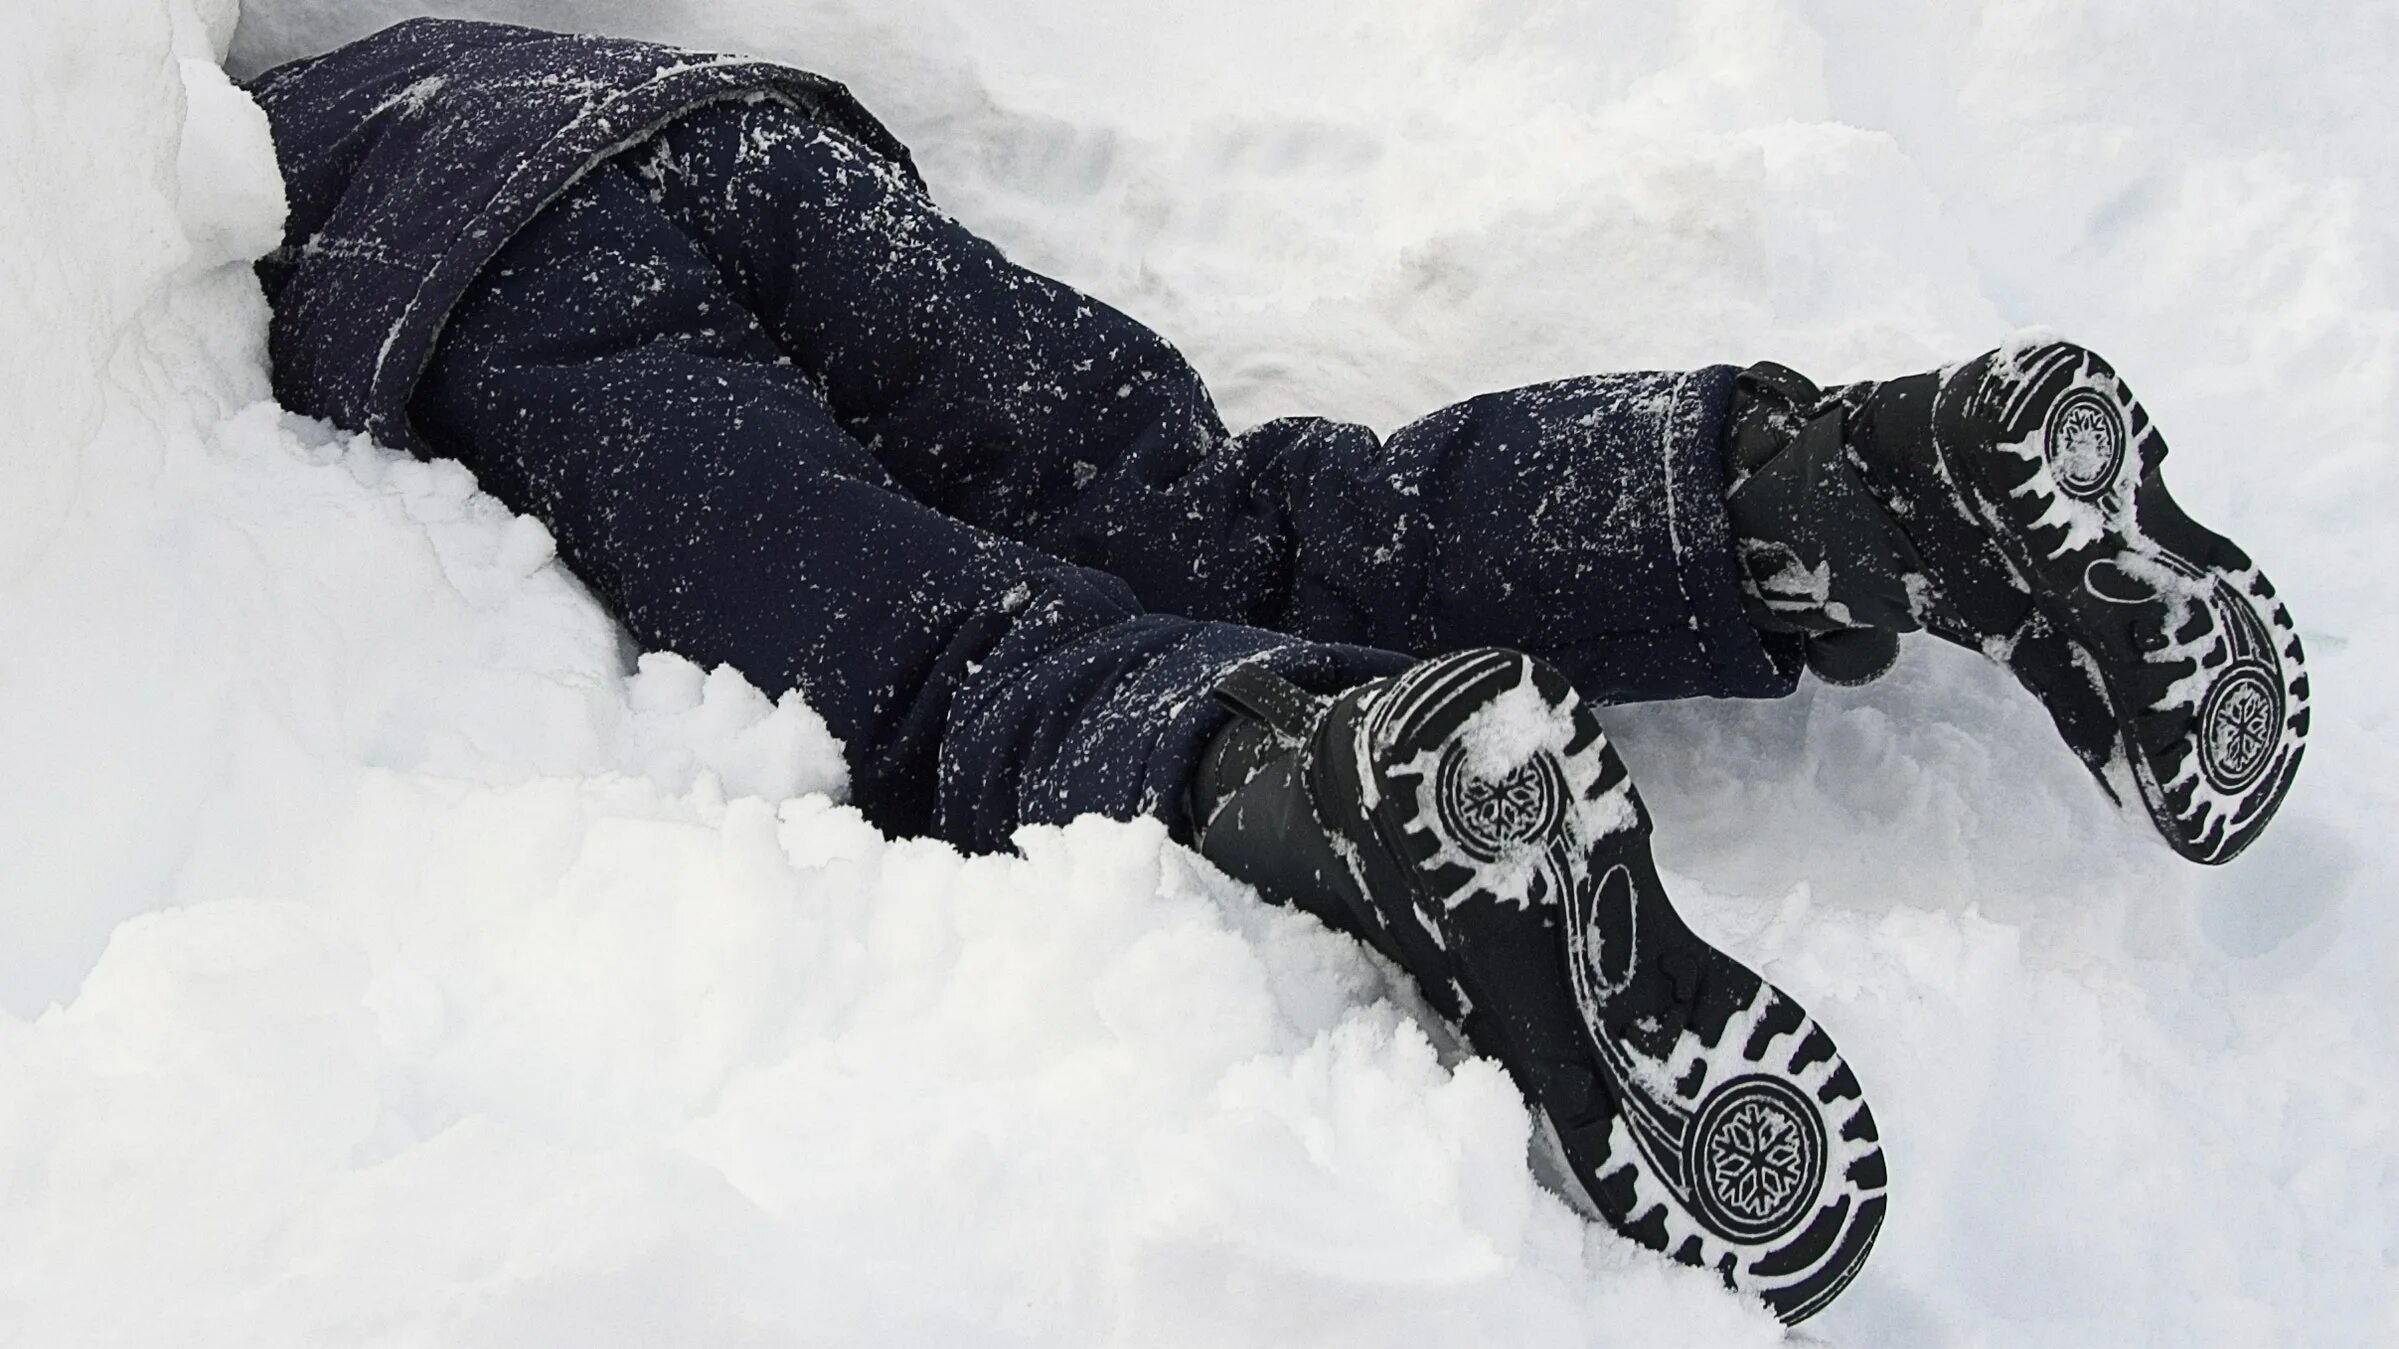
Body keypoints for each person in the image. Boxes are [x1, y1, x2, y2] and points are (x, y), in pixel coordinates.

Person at [243, 18, 2308, 1323]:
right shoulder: (401, 45)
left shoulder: (192, 179)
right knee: (1239, 512)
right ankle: (1862, 481)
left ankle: (1345, 771)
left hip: (490, 290)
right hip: (733, 141)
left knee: (947, 667)